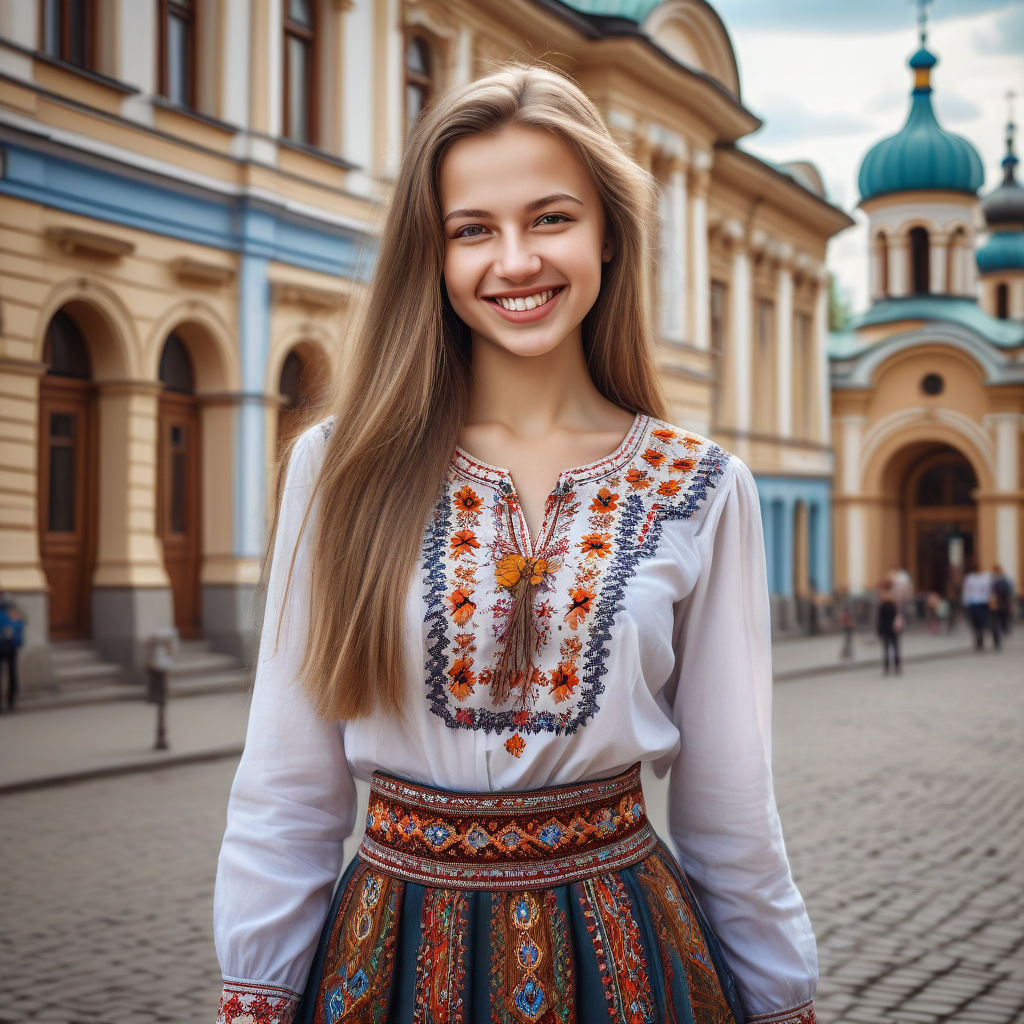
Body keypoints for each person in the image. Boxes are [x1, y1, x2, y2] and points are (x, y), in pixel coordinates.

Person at [213, 65, 817, 1024]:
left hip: (630, 957)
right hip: (389, 960)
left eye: (550, 218)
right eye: (472, 230)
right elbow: (287, 790)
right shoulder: (341, 468)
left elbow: (731, 806)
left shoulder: (703, 488)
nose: (515, 261)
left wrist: (782, 999)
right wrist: (256, 997)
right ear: (434, 255)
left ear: (610, 233)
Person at [962, 560, 999, 651]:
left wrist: (991, 601)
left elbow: (991, 590)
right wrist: (966, 602)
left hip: (984, 603)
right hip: (973, 603)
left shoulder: (986, 577)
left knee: (986, 622)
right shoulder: (970, 578)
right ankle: (979, 640)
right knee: (976, 623)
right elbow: (967, 591)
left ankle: (994, 639)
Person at [0, 592, 24, 712]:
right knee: (12, 673)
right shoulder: (13, 613)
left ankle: (10, 701)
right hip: (10, 647)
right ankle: (11, 702)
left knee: (10, 674)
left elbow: (19, 627)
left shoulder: (12, 613)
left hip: (6, 647)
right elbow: (19, 628)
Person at [877, 582, 902, 676]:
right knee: (895, 649)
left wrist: (879, 632)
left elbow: (880, 621)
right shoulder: (893, 605)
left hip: (886, 630)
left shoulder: (883, 606)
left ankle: (887, 668)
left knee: (887, 650)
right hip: (894, 630)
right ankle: (897, 667)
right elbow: (897, 618)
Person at [991, 564, 1013, 636]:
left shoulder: (1002, 579)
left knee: (1003, 616)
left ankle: (1003, 628)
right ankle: (1002, 629)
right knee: (1000, 616)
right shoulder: (994, 579)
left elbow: (1009, 591)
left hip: (1001, 601)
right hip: (998, 601)